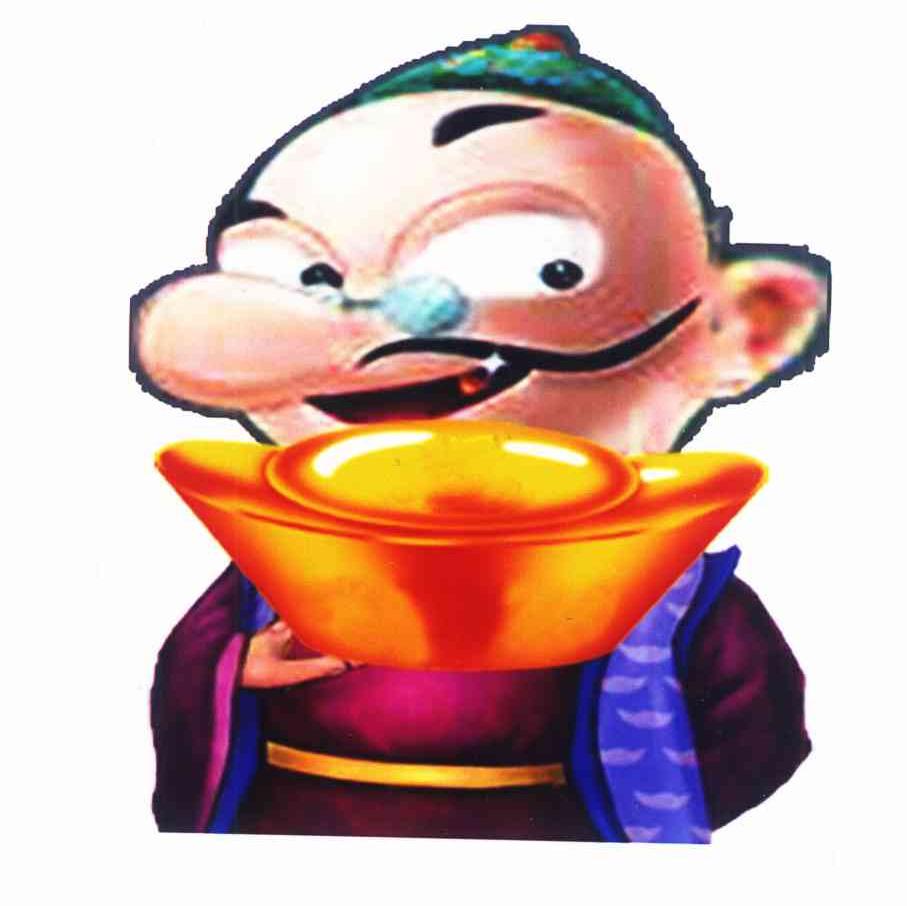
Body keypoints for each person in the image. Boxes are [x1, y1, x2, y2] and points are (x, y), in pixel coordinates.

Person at [131, 26, 828, 842]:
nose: (390, 328)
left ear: (743, 326)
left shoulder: (667, 587)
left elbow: (757, 730)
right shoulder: (279, 564)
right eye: (309, 280)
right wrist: (231, 672)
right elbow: (193, 676)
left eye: (547, 263)